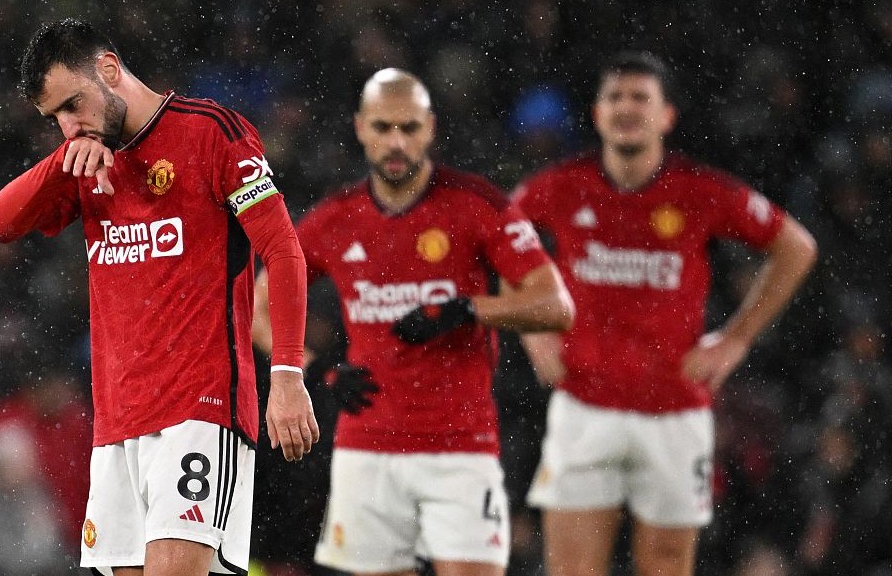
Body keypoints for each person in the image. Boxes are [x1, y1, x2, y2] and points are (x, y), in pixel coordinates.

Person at [0, 18, 319, 576]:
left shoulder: (212, 132)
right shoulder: (83, 160)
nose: (69, 127)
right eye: (55, 119)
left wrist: (286, 374)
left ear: (110, 70)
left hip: (200, 410)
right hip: (116, 423)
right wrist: (63, 161)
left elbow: (282, 250)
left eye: (74, 104)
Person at [251, 68, 575, 576]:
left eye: (408, 127)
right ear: (360, 128)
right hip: (368, 450)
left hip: (462, 449)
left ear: (431, 127)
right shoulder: (336, 218)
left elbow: (556, 306)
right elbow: (258, 305)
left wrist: (469, 308)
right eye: (383, 128)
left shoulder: (477, 205)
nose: (396, 142)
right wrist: (315, 370)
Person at [512, 51, 818, 576]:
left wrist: (738, 338)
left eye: (640, 98)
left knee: (667, 566)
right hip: (585, 406)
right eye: (615, 97)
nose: (627, 107)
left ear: (665, 116)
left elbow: (796, 247)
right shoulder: (561, 186)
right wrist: (533, 332)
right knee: (571, 569)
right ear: (597, 113)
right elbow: (496, 240)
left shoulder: (700, 191)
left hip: (674, 411)